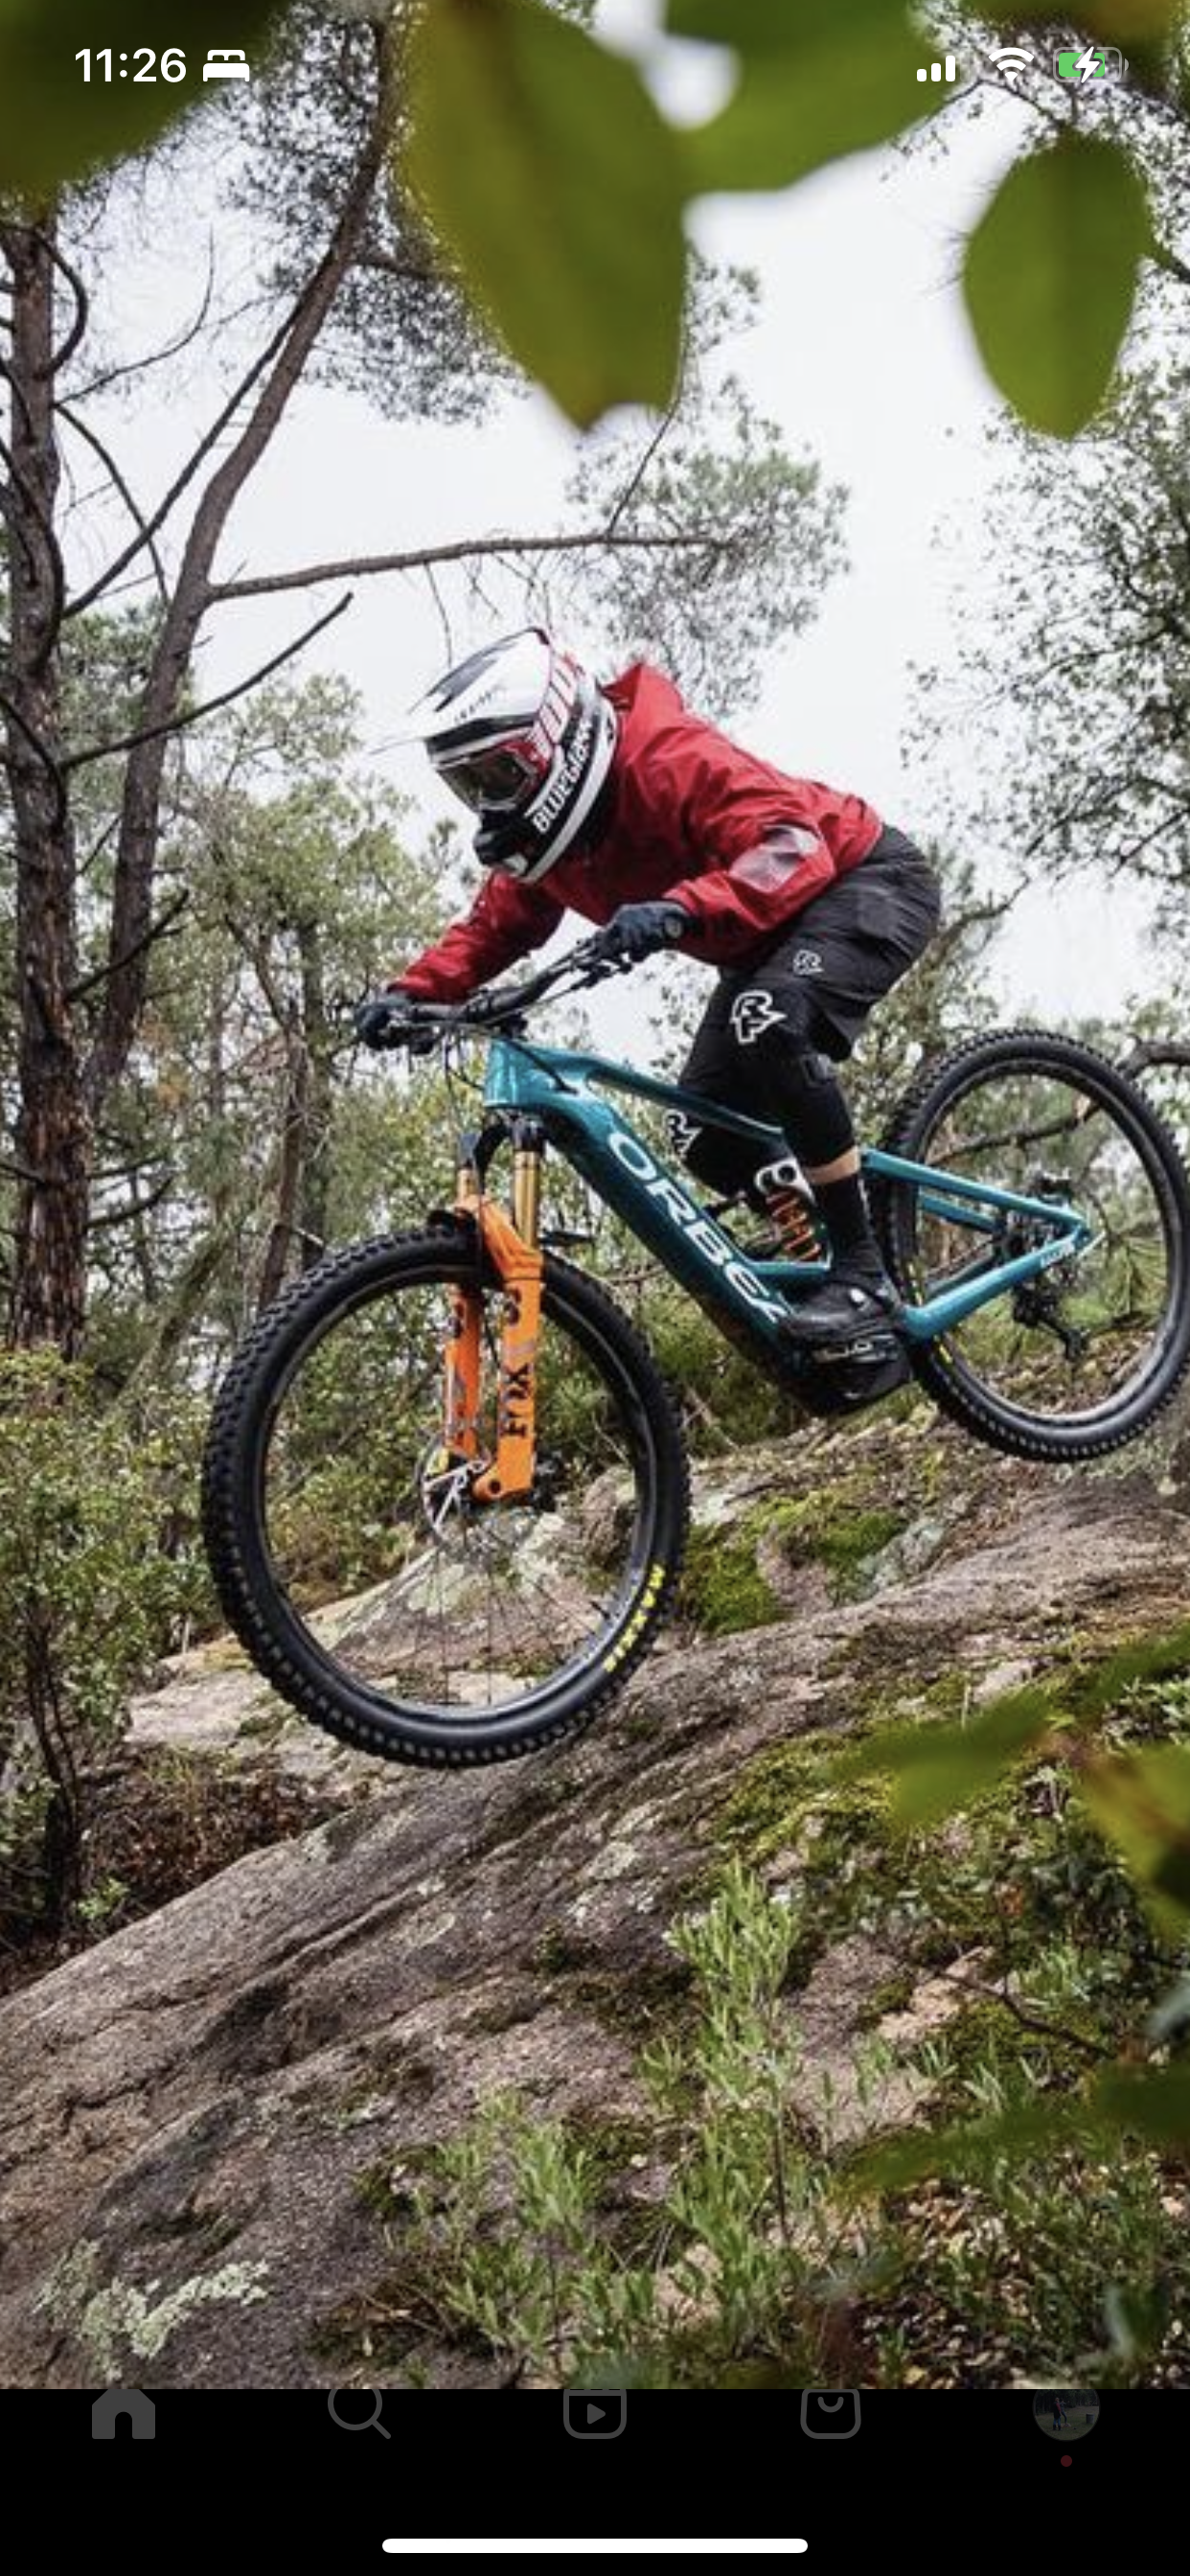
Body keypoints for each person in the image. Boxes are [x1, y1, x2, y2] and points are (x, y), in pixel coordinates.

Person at [356, 630, 942, 1346]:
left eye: (496, 775)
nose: (486, 801)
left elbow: (794, 848)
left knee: (767, 1018)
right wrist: (411, 994)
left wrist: (679, 908)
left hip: (864, 883)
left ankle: (864, 1275)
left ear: (550, 742)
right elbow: (496, 927)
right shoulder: (551, 845)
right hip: (764, 942)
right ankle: (821, 1249)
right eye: (469, 785)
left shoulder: (668, 758)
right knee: (703, 1133)